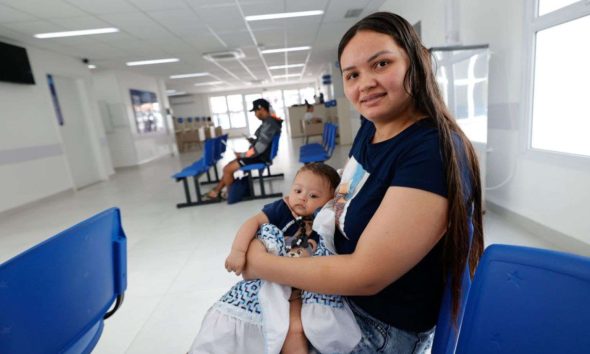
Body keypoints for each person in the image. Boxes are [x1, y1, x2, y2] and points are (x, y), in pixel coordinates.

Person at [242, 11, 484, 353]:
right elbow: (347, 191)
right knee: (235, 323)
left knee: (246, 338)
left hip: (379, 327)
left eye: (381, 64)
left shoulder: (430, 151)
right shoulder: (373, 127)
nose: (365, 83)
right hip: (343, 300)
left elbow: (366, 275)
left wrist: (263, 265)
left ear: (415, 63)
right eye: (352, 74)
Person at [189, 164, 355, 354]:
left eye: (313, 196)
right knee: (249, 323)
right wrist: (238, 250)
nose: (302, 197)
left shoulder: (323, 221)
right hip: (273, 280)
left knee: (297, 329)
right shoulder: (281, 209)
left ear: (328, 201)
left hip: (302, 287)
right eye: (298, 190)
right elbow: (253, 222)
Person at [204, 98, 282, 200]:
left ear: (261, 109)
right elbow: (262, 143)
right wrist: (253, 141)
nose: (255, 114)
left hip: (260, 157)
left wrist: (242, 155)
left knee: (227, 169)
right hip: (260, 155)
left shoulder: (269, 124)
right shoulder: (270, 122)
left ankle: (229, 195)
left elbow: (258, 149)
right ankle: (216, 191)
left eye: (255, 111)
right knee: (229, 166)